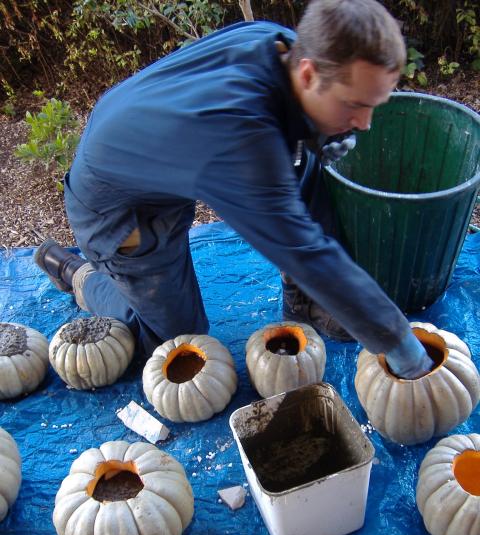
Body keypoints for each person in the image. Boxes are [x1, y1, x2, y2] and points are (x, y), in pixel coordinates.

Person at [35, 0, 433, 379]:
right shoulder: (239, 137)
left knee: (304, 159)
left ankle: (306, 302)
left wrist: (324, 134)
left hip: (156, 165)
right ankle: (79, 275)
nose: (365, 123)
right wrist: (400, 344)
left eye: (372, 106)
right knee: (178, 345)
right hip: (117, 212)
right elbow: (302, 249)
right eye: (355, 104)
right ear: (309, 74)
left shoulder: (278, 44)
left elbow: (294, 127)